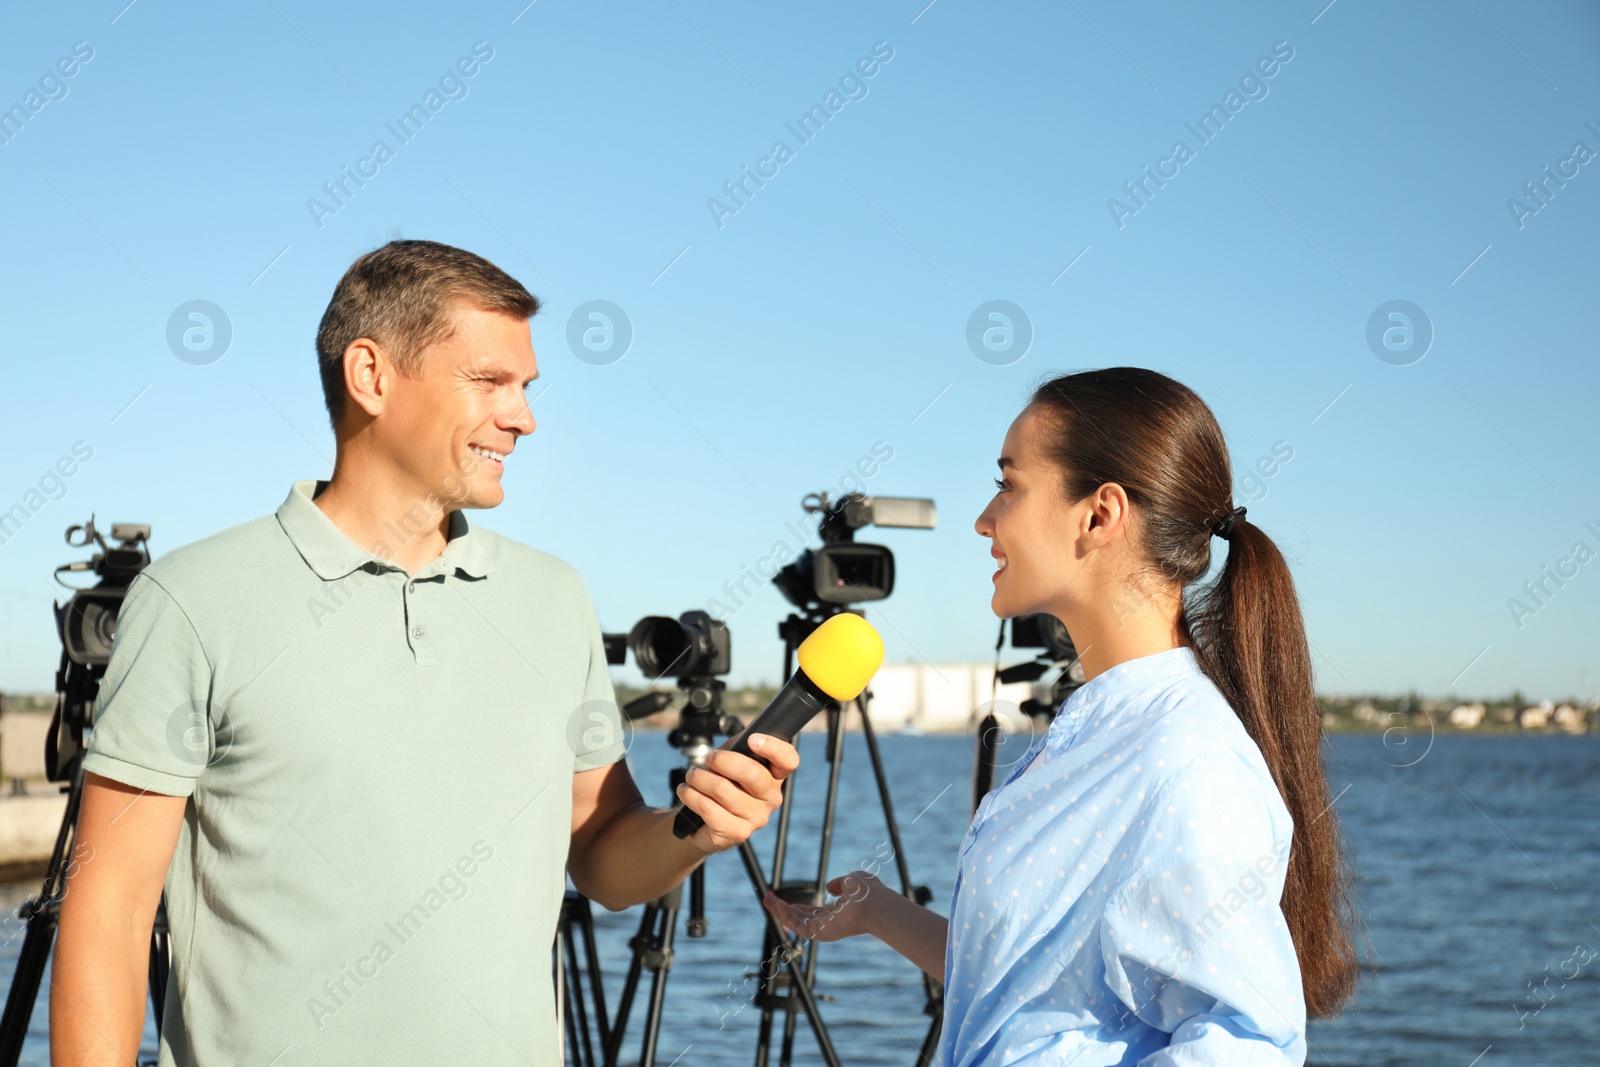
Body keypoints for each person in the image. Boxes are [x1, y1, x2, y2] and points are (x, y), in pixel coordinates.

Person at [51, 239, 800, 1066]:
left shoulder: (554, 599)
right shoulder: (193, 599)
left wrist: (694, 829)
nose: (524, 417)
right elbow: (109, 910)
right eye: (489, 381)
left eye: (525, 387)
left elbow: (603, 857)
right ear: (370, 376)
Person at [764, 367, 1359, 1065]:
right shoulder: (1102, 728)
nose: (985, 518)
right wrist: (877, 908)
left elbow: (1247, 1046)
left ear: (1099, 514)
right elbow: (1036, 991)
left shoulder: (1188, 760)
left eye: (1009, 483)